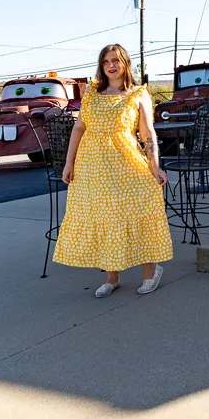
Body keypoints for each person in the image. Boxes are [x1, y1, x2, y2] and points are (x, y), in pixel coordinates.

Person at [54, 44, 173, 296]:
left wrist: (155, 166)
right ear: (101, 65)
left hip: (126, 165)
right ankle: (111, 277)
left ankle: (150, 272)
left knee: (139, 212)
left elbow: (147, 132)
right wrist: (69, 162)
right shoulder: (92, 95)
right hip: (92, 168)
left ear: (125, 63)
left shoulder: (138, 94)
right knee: (103, 217)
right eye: (106, 61)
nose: (111, 65)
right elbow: (78, 129)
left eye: (116, 60)